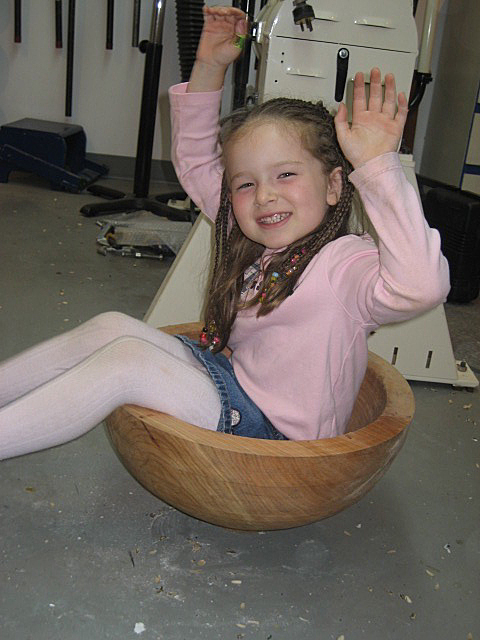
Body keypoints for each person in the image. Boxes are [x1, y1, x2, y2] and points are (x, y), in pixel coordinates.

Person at [0, 7, 449, 461]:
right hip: (230, 380)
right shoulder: (254, 237)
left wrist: (376, 167)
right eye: (246, 183)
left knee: (127, 365)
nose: (265, 197)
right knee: (112, 327)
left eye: (287, 174)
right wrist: (210, 66)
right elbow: (197, 163)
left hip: (274, 433)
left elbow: (420, 285)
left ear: (335, 184)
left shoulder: (344, 263)